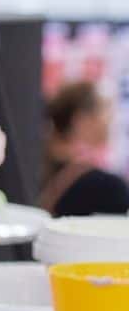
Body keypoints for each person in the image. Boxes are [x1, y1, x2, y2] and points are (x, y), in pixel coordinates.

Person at [40, 81, 129, 216]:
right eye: (105, 109)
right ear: (81, 121)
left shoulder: (40, 164)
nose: (110, 119)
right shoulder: (108, 187)